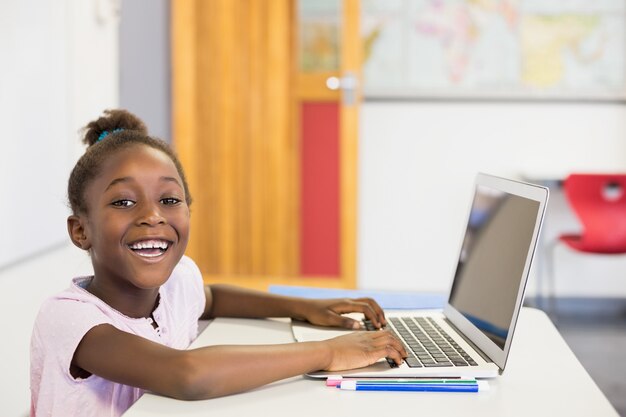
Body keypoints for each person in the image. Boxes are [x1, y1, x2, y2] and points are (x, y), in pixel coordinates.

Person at [30, 109, 406, 417]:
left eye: (170, 200)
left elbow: (213, 297)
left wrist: (307, 307)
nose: (153, 216)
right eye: (124, 202)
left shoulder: (178, 280)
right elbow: (187, 375)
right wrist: (329, 352)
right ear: (81, 231)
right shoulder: (68, 319)